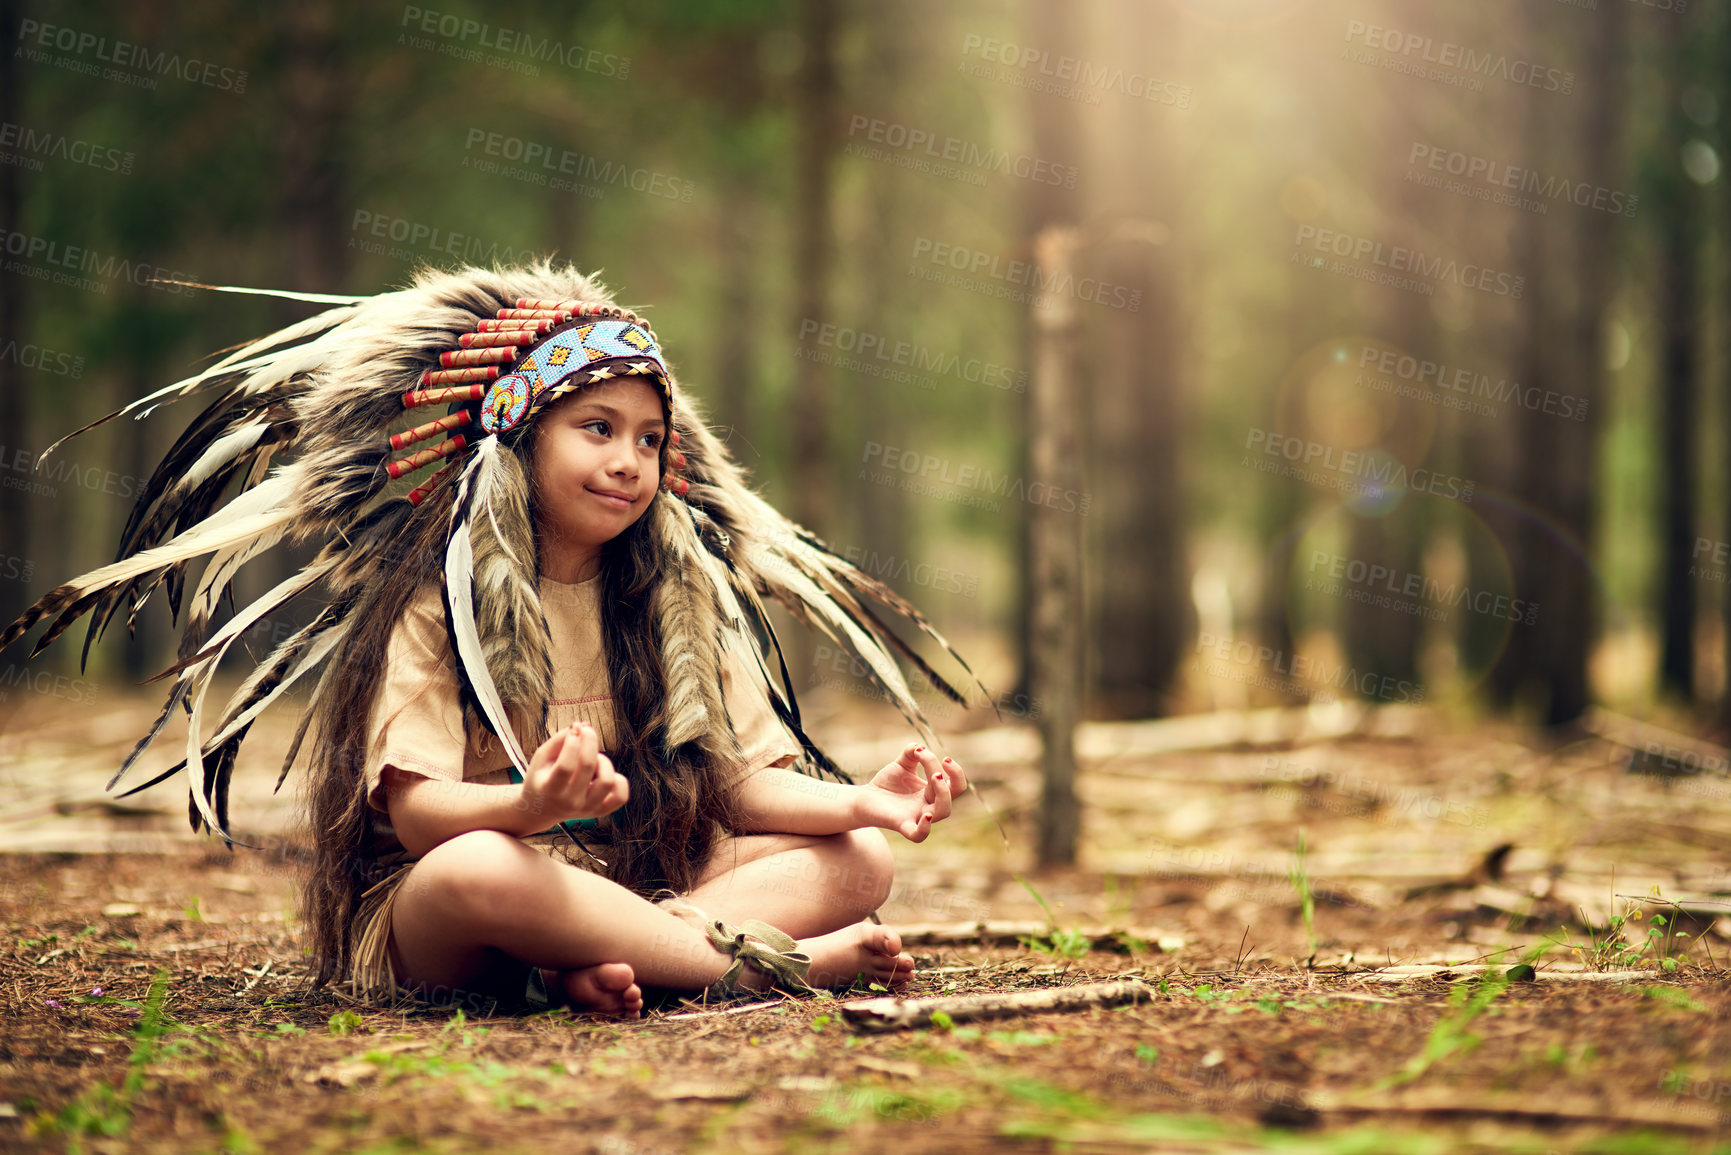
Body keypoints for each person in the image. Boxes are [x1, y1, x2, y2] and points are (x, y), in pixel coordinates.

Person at [0, 263, 988, 1017]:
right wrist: (530, 802)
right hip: (454, 915)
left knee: (859, 860)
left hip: (629, 885)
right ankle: (767, 963)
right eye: (595, 428)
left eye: (650, 439)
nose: (629, 461)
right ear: (517, 441)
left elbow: (736, 782)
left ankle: (620, 959)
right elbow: (424, 821)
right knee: (479, 868)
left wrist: (863, 798)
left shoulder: (676, 604)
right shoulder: (438, 607)